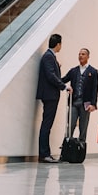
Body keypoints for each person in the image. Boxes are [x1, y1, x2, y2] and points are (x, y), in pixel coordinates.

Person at [36, 34, 71, 163]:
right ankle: (44, 154)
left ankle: (45, 153)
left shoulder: (50, 57)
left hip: (50, 95)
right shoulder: (49, 57)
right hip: (50, 95)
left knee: (47, 124)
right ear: (58, 44)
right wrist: (63, 86)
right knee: (47, 125)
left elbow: (51, 73)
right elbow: (50, 76)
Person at [62, 48, 98, 144]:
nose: (80, 56)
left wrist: (93, 104)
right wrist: (57, 70)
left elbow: (95, 89)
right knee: (70, 125)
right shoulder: (73, 71)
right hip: (74, 102)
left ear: (88, 56)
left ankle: (80, 149)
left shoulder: (93, 71)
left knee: (83, 127)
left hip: (86, 103)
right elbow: (62, 80)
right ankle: (66, 149)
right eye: (79, 54)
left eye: (83, 54)